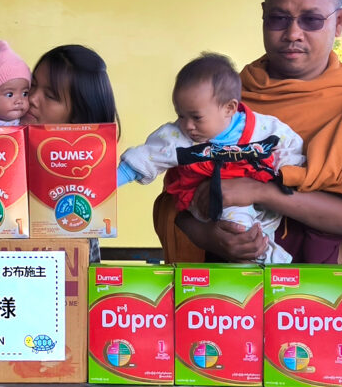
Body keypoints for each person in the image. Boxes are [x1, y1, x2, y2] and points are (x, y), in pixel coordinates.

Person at [155, 0, 342, 265]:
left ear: (339, 21)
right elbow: (177, 198)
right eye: (279, 18)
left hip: (327, 286)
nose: (293, 34)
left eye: (311, 20)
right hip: (231, 284)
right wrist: (207, 235)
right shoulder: (225, 102)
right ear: (264, 15)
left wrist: (261, 192)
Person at [119, 53, 304, 263]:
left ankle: (271, 260)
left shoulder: (263, 129)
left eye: (196, 117)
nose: (187, 125)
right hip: (208, 202)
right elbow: (146, 157)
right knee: (240, 229)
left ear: (229, 108)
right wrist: (110, 182)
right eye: (181, 115)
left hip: (258, 196)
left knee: (258, 228)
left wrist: (288, 174)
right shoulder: (179, 137)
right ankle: (274, 261)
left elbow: (290, 147)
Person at [21, 44, 120, 262]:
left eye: (50, 96)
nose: (32, 98)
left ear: (78, 118)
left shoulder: (79, 189)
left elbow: (80, 269)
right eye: (32, 85)